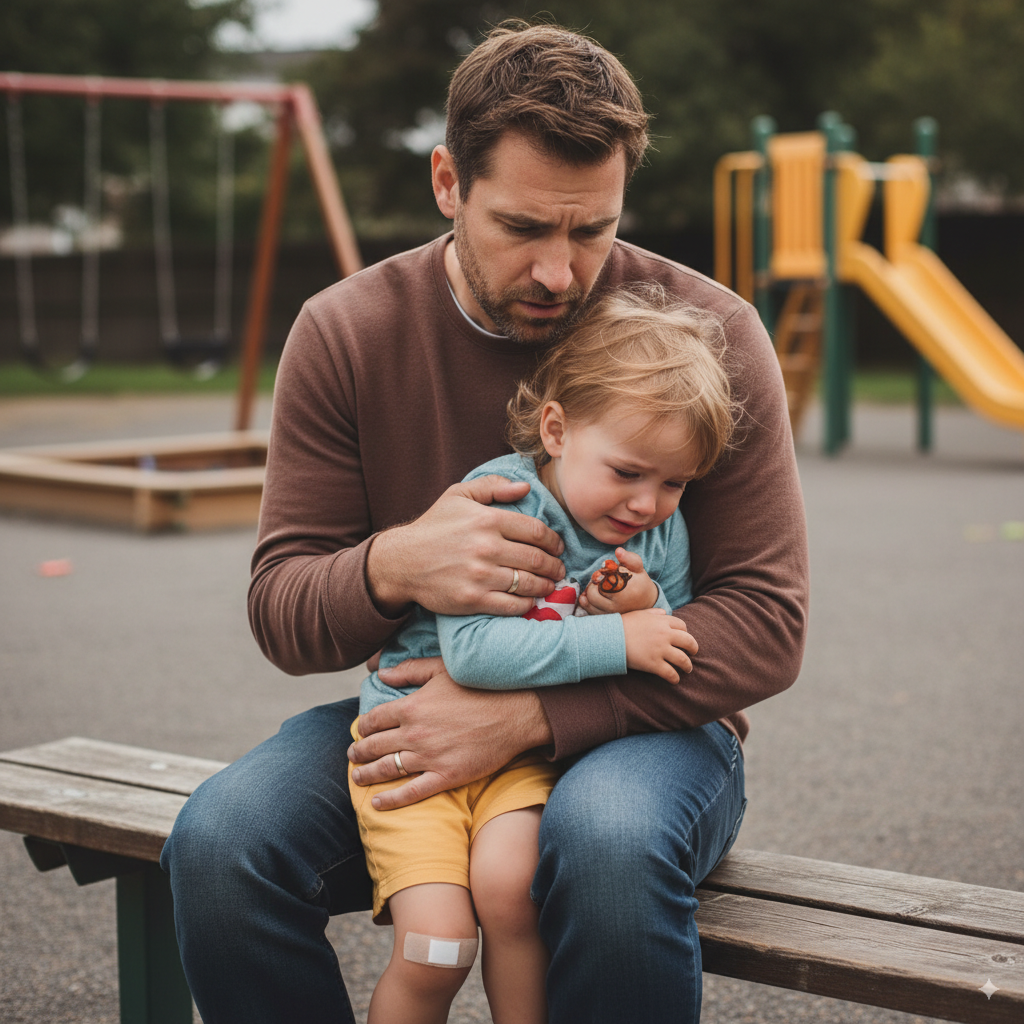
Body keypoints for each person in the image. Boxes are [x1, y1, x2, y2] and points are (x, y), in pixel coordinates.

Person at [160, 21, 809, 1024]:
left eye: (590, 231)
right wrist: (394, 565)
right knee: (220, 842)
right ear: (446, 184)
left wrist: (532, 716)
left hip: (648, 729)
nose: (559, 271)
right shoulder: (348, 333)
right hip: (424, 704)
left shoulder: (707, 335)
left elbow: (766, 623)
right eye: (522, 228)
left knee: (602, 842)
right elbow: (282, 610)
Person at [352, 286, 736, 1024]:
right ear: (556, 430)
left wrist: (643, 608)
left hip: (528, 760)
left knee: (512, 893)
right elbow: (473, 657)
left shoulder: (657, 533)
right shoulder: (498, 502)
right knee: (437, 946)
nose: (647, 503)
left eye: (675, 483)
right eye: (627, 472)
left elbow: (670, 639)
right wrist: (615, 638)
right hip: (414, 749)